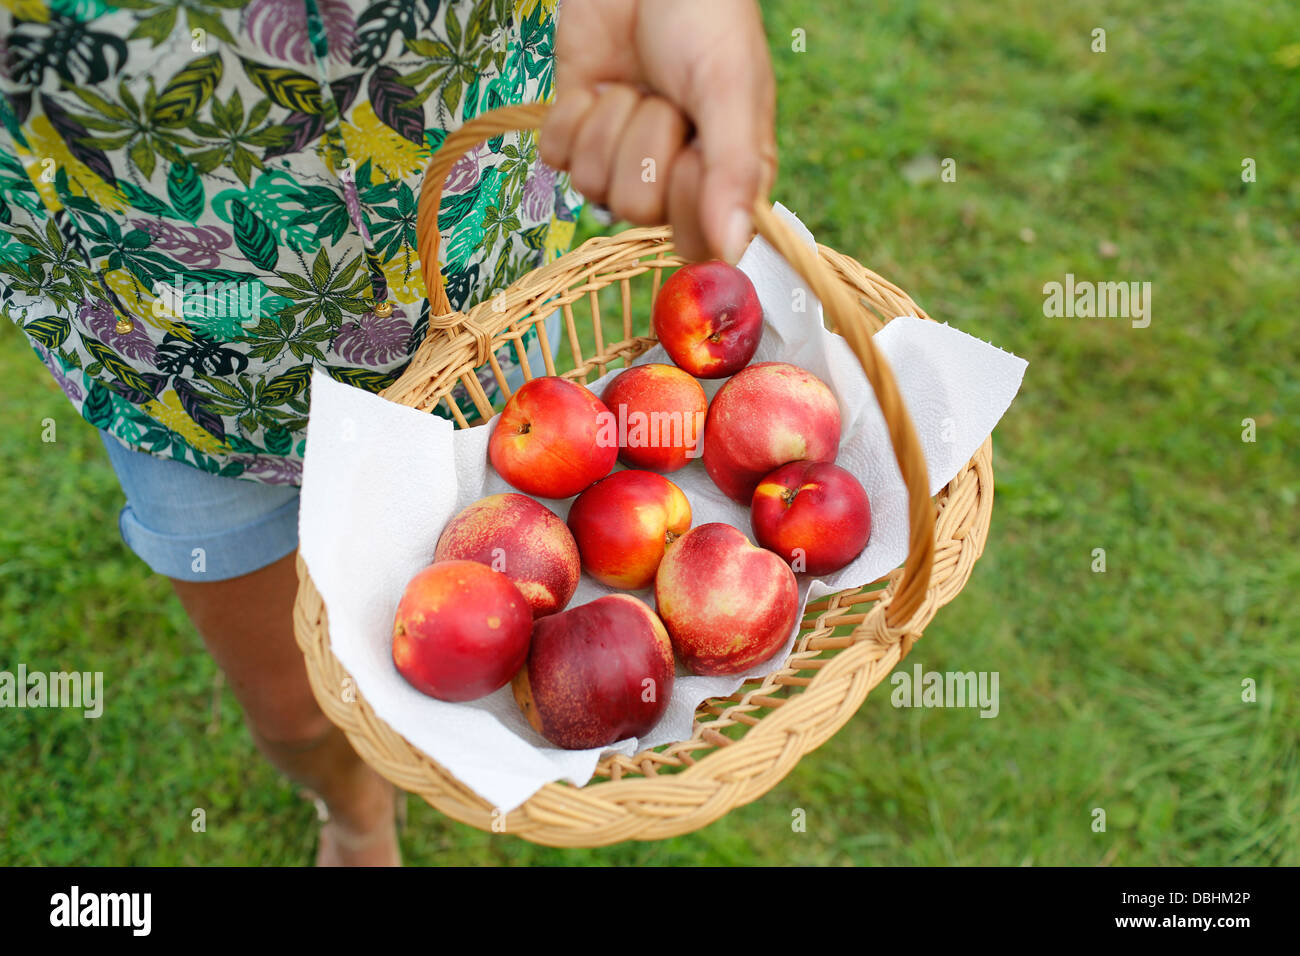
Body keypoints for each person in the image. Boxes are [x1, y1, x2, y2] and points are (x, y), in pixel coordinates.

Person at [0, 0, 774, 864]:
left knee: (529, 514)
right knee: (291, 706)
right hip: (182, 368)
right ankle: (356, 813)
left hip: (483, 260)